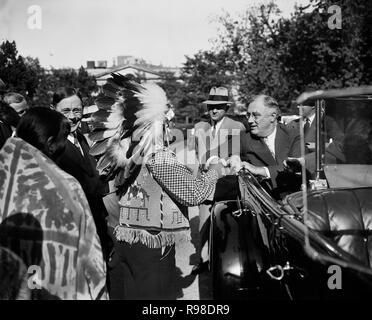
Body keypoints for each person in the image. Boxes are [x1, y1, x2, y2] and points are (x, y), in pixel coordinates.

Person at [89, 74, 234, 299]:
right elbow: (194, 194)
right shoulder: (156, 155)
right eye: (166, 115)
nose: (171, 120)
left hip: (128, 241)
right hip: (151, 246)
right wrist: (215, 170)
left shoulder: (128, 151)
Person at [0, 107, 107, 299]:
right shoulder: (64, 186)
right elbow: (89, 253)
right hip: (52, 285)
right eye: (62, 140)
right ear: (50, 143)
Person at [51, 87, 111, 260]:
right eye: (66, 111)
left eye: (77, 110)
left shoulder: (82, 138)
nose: (72, 117)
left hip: (95, 226)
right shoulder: (51, 146)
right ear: (52, 109)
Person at [192, 86, 245, 274]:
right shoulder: (201, 128)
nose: (214, 111)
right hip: (206, 184)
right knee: (203, 225)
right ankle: (203, 260)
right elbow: (198, 157)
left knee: (225, 225)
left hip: (226, 184)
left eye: (219, 107)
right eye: (211, 107)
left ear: (227, 108)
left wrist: (218, 164)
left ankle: (224, 262)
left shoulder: (236, 127)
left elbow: (238, 157)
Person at [240, 94, 301, 199]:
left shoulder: (293, 135)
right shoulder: (244, 138)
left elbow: (296, 166)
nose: (249, 121)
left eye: (255, 115)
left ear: (272, 116)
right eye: (248, 115)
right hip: (263, 202)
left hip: (295, 198)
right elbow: (220, 153)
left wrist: (260, 170)